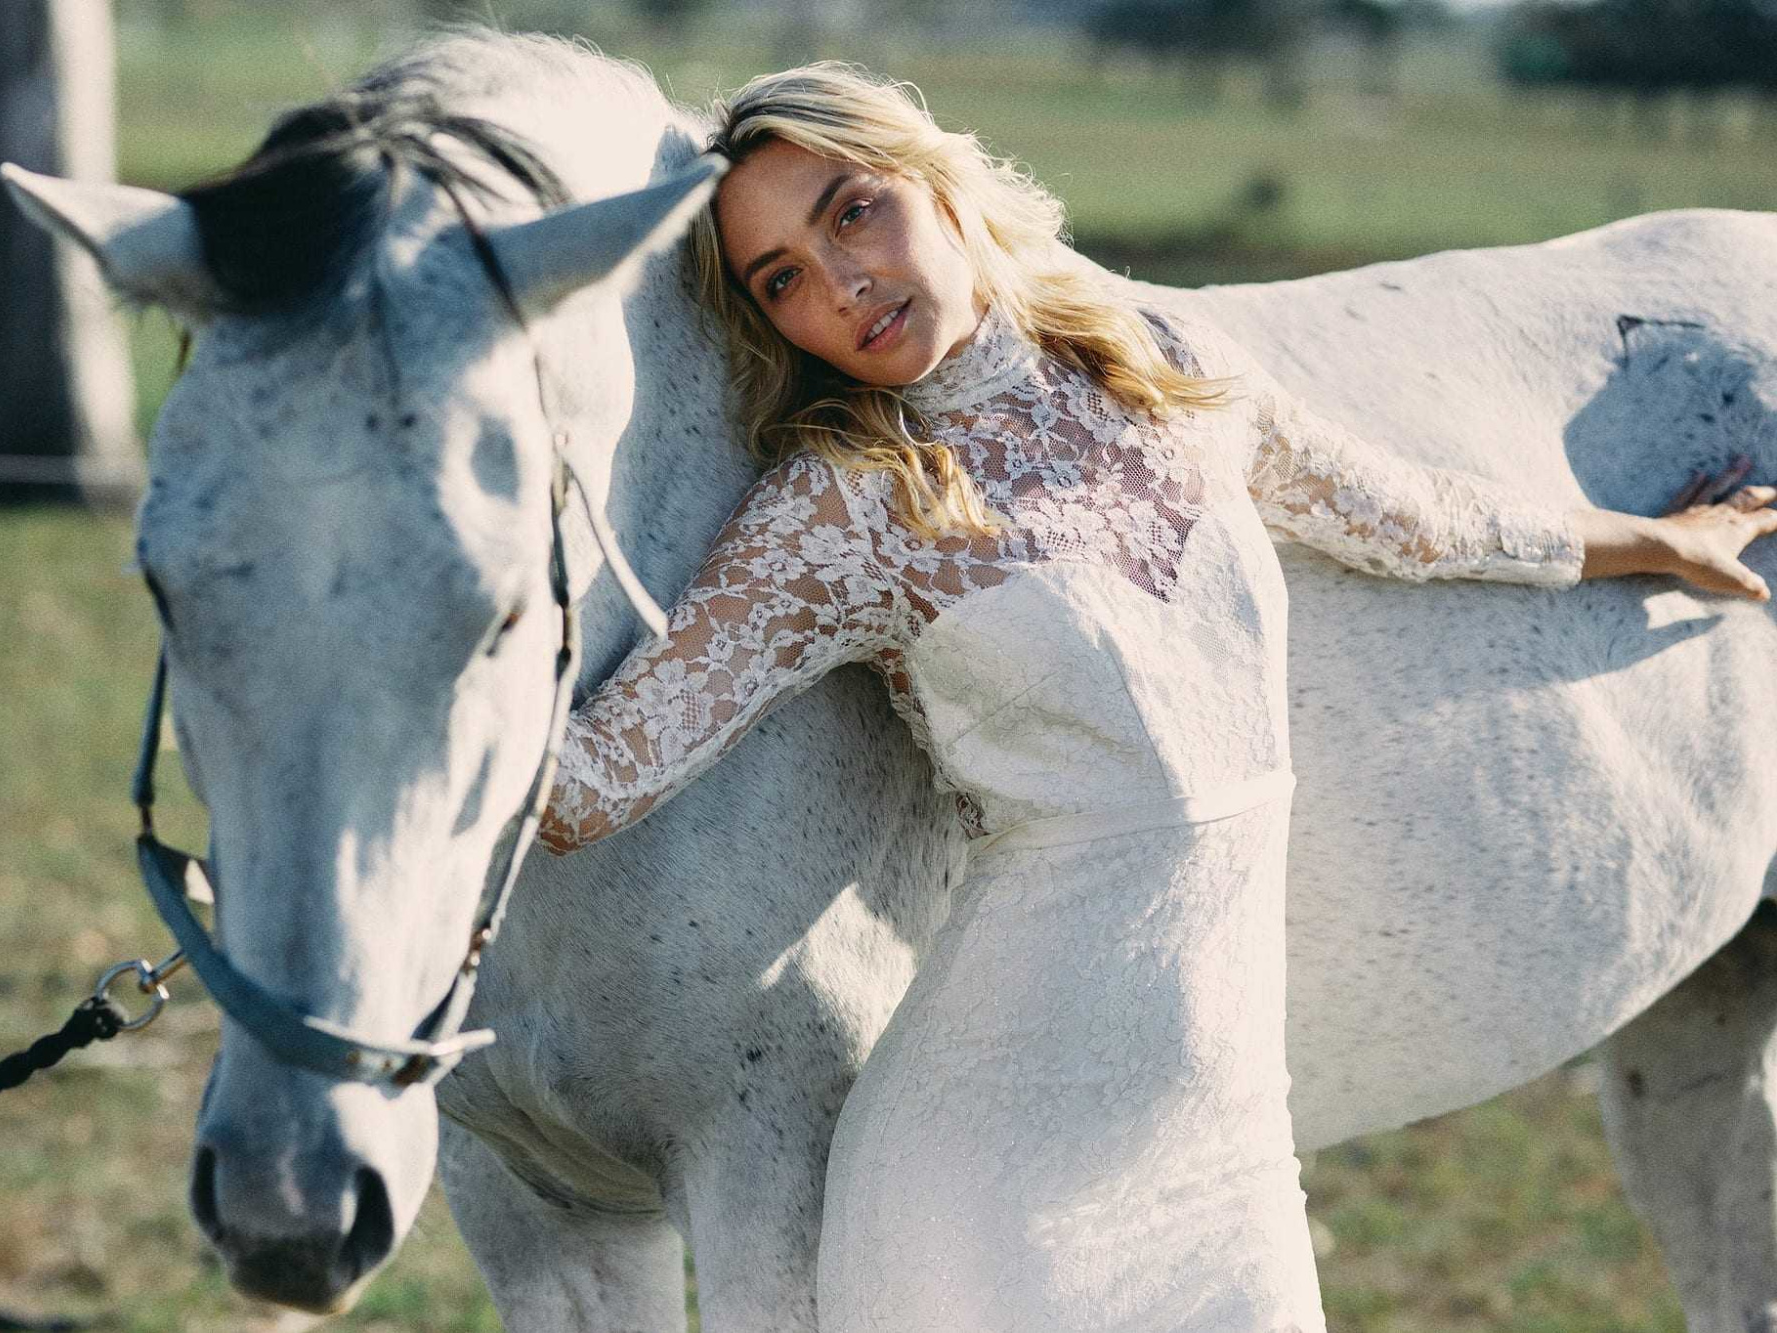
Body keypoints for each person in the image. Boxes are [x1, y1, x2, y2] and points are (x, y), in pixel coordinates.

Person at [530, 62, 1777, 1333]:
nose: (838, 283)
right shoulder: (845, 506)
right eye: (779, 278)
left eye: (850, 211)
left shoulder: (1161, 369)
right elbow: (584, 787)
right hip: (984, 1171)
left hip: (1225, 1148)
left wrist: (1644, 542)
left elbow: (1407, 518)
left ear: (937, 181)